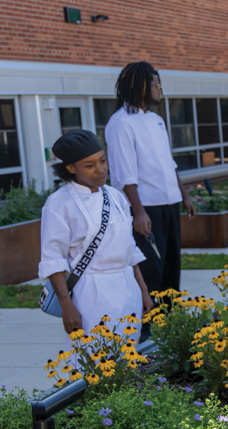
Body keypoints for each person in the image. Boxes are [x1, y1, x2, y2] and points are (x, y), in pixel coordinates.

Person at [40, 130, 154, 348]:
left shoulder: (116, 196)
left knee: (128, 356)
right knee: (94, 361)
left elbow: (129, 249)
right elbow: (52, 260)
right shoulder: (58, 204)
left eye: (102, 161)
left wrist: (143, 291)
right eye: (89, 165)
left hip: (127, 287)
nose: (100, 169)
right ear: (71, 168)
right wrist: (67, 307)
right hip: (90, 294)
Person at [106, 61, 196, 296]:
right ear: (139, 85)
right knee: (150, 269)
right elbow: (124, 173)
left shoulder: (157, 120)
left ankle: (170, 322)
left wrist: (184, 196)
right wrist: (139, 212)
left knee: (170, 265)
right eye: (155, 85)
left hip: (169, 202)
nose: (159, 89)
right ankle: (148, 326)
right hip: (146, 207)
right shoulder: (120, 122)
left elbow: (168, 162)